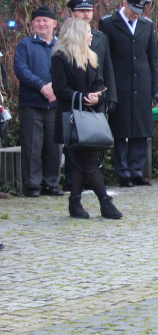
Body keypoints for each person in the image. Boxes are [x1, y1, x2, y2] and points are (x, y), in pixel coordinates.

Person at [49, 18, 122, 219]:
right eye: (89, 31)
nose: (92, 35)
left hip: (90, 114)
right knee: (88, 160)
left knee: (83, 161)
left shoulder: (90, 56)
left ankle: (75, 202)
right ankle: (104, 201)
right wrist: (82, 97)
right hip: (72, 115)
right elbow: (60, 89)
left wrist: (98, 96)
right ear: (78, 34)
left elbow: (99, 82)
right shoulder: (60, 57)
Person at [99, 0, 158, 187]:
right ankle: (122, 172)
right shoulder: (108, 23)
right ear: (125, 3)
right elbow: (104, 56)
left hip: (142, 83)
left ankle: (136, 171)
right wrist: (107, 89)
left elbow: (152, 57)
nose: (135, 15)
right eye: (133, 11)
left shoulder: (147, 25)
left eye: (138, 12)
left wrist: (155, 88)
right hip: (119, 83)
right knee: (121, 130)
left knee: (141, 130)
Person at [13, 6, 62, 196]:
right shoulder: (24, 45)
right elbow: (21, 70)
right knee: (32, 146)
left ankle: (51, 184)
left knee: (54, 146)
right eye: (37, 21)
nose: (41, 24)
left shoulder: (61, 46)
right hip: (32, 103)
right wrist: (43, 86)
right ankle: (32, 185)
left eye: (45, 20)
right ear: (32, 24)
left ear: (54, 24)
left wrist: (56, 88)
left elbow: (68, 69)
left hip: (56, 103)